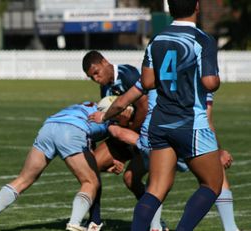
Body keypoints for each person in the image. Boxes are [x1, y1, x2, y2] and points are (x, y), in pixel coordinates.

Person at [89, 81, 241, 231]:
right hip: (186, 129)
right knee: (214, 177)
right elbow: (210, 93)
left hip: (155, 130)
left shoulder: (156, 64)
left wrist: (105, 117)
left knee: (154, 185)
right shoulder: (196, 70)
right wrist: (218, 150)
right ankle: (230, 228)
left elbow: (128, 98)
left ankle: (155, 227)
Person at [0, 97, 133, 231]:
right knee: (90, 182)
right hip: (71, 132)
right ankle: (74, 224)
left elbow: (89, 153)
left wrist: (105, 165)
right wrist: (138, 138)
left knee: (23, 179)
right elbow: (119, 134)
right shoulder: (109, 120)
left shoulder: (86, 105)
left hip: (48, 127)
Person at [133, 0, 223, 229]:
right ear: (197, 6)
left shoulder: (157, 39)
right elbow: (210, 82)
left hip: (160, 121)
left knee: (156, 188)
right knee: (212, 184)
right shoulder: (202, 39)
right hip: (190, 122)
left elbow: (147, 81)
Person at [82, 51, 148, 231]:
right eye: (91, 77)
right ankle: (95, 221)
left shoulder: (129, 74)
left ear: (105, 62)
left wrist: (128, 130)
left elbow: (144, 106)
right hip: (124, 135)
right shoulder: (105, 87)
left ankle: (155, 222)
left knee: (130, 180)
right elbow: (113, 121)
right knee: (91, 167)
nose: (96, 78)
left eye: (96, 72)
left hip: (145, 135)